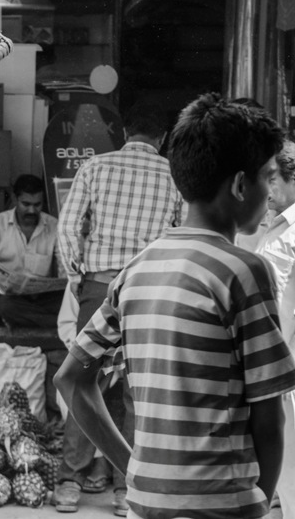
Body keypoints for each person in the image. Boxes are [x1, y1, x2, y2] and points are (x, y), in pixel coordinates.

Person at [55, 92, 295, 519]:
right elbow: (270, 416)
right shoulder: (243, 270)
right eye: (266, 177)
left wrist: (134, 471)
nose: (271, 192)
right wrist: (258, 501)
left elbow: (71, 379)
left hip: (145, 505)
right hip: (223, 506)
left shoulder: (136, 268)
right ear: (241, 185)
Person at [54, 102, 183, 515]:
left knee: (84, 378)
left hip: (99, 282)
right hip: (153, 285)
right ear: (162, 139)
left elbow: (69, 224)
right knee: (137, 390)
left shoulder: (96, 167)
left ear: (124, 132)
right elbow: (181, 233)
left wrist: (77, 274)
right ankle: (128, 491)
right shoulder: (174, 175)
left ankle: (70, 482)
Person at [253, 139, 295, 518]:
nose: (265, 189)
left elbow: (273, 314)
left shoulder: (288, 235)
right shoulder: (276, 228)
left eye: (271, 178)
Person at [0, 173, 64, 329]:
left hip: (41, 297)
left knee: (69, 301)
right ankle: (56, 324)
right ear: (14, 199)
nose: (32, 210)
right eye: (26, 204)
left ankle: (23, 320)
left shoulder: (55, 227)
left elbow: (63, 269)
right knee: (3, 306)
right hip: (7, 297)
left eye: (37, 204)